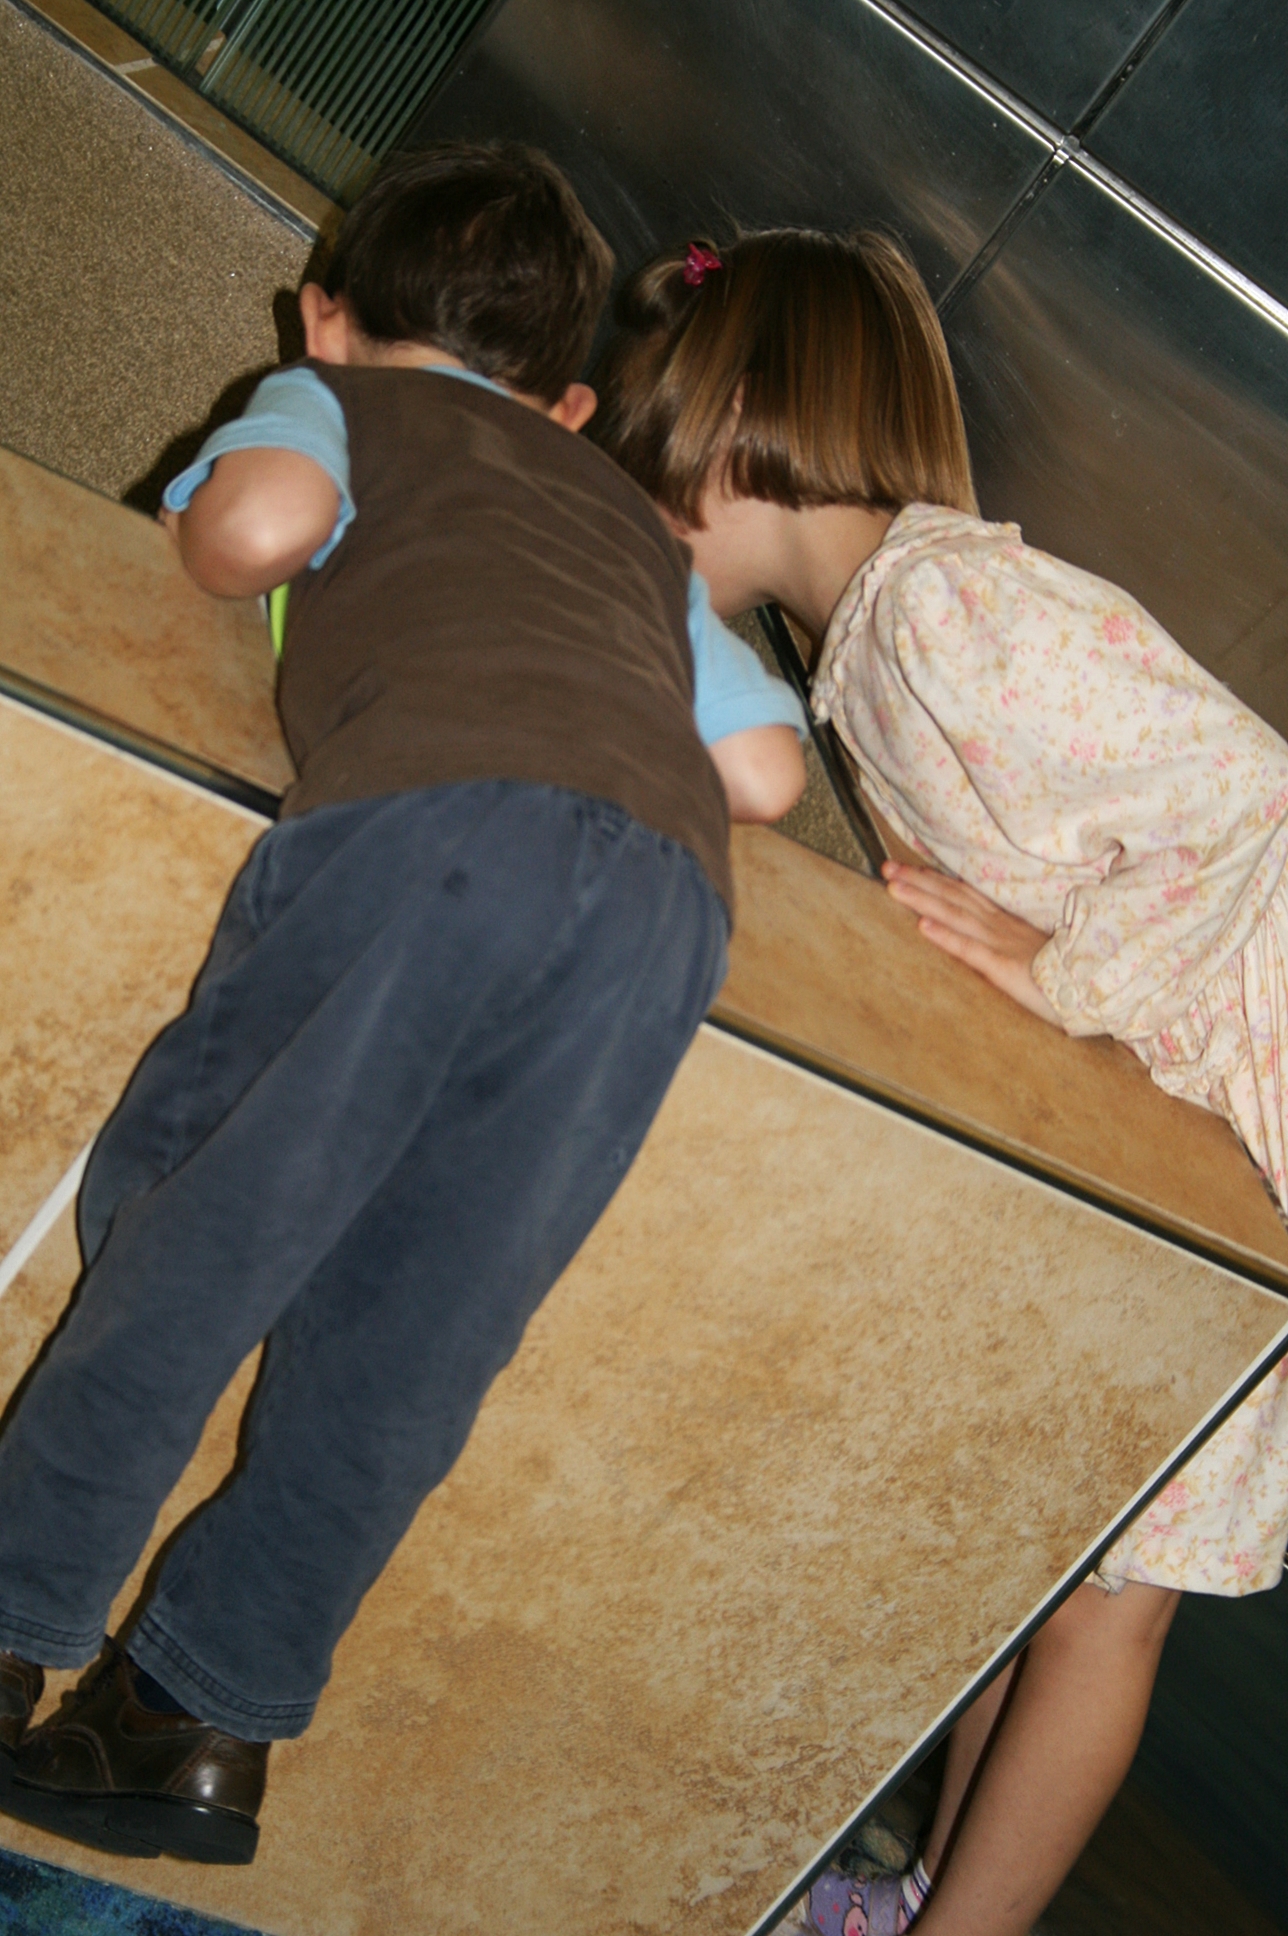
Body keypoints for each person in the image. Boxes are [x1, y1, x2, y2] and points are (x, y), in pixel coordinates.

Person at [0, 147, 808, 1866]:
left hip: (436, 830)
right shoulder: (625, 520)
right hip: (662, 918)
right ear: (573, 400)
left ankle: (12, 1616)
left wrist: (219, 527)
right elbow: (760, 770)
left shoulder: (332, 399)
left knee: (200, 1244)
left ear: (326, 316)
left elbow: (262, 529)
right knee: (416, 1344)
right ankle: (198, 1723)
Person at [590, 228, 1288, 1936]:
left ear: (744, 413)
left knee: (1108, 1602)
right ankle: (924, 1901)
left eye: (657, 420)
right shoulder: (868, 653)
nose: (637, 461)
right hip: (1195, 1135)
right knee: (1056, 1562)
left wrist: (1071, 977)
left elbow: (1258, 808)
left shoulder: (946, 605)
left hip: (1250, 1115)